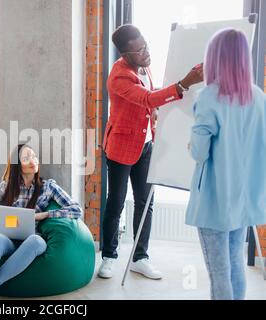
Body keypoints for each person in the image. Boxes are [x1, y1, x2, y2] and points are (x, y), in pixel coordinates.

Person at [99, 24, 203, 280]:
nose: (146, 54)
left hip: (145, 145)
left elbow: (151, 95)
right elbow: (146, 99)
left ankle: (140, 257)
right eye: (139, 51)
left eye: (145, 46)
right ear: (125, 54)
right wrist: (184, 84)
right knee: (117, 201)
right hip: (121, 147)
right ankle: (109, 257)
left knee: (146, 202)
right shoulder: (119, 76)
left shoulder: (143, 67)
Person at [186, 29, 266, 300]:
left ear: (216, 58)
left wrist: (192, 144)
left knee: (218, 272)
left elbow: (199, 152)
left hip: (215, 199)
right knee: (235, 265)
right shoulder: (258, 98)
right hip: (242, 198)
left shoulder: (210, 96)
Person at [0, 144, 82, 300]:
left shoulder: (49, 187)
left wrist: (45, 215)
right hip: (9, 240)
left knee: (36, 241)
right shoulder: (7, 186)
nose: (33, 160)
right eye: (26, 158)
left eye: (34, 156)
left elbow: (76, 209)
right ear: (17, 165)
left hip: (31, 240)